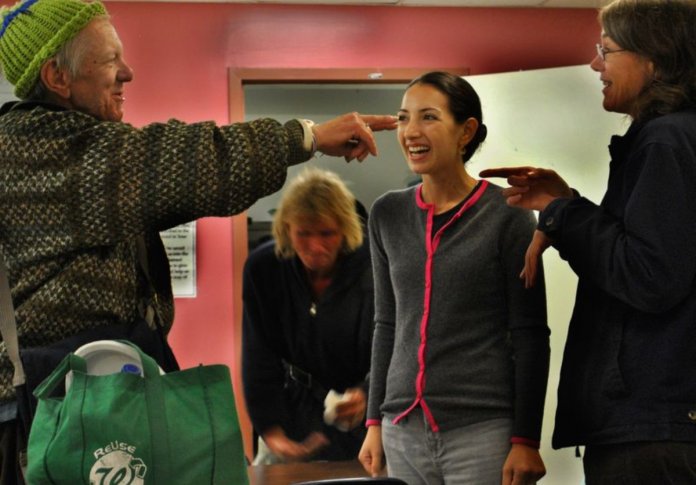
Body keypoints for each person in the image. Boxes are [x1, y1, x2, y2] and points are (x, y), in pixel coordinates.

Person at [0, 0, 396, 482]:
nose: (127, 72)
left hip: (96, 402)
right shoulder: (46, 152)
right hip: (54, 417)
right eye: (109, 59)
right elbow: (184, 162)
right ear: (57, 78)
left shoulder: (74, 148)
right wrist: (305, 136)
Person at [479, 1, 696, 483]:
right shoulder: (668, 139)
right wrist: (563, 205)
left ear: (654, 60)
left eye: (606, 50)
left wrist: (562, 213)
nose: (595, 65)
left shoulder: (665, 141)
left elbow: (649, 276)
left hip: (653, 427)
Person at [358, 71, 550, 485]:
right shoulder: (386, 214)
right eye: (403, 117)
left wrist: (526, 439)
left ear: (466, 132)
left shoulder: (508, 212)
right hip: (400, 428)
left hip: (481, 430)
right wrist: (374, 421)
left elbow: (530, 332)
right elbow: (387, 324)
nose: (411, 131)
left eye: (428, 117)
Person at [242, 167, 374, 463]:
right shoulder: (264, 268)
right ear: (287, 229)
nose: (315, 247)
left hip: (365, 419)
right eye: (303, 233)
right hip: (291, 410)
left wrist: (368, 394)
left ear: (345, 229)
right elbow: (258, 354)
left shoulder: (373, 266)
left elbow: (391, 347)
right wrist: (271, 430)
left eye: (327, 233)